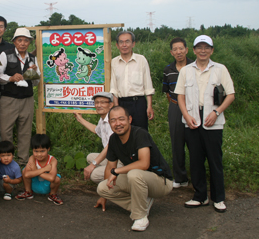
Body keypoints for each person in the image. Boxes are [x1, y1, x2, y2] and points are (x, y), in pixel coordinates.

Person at [175, 35, 235, 213]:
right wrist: (186, 115)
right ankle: (200, 196)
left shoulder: (220, 69)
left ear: (212, 50)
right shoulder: (186, 70)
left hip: (212, 119)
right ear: (193, 50)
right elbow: (180, 95)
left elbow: (230, 94)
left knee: (214, 160)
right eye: (199, 47)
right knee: (195, 159)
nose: (203, 51)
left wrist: (217, 112)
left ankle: (219, 198)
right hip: (192, 119)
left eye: (206, 47)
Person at [96, 106, 173, 232]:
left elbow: (144, 164)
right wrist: (105, 197)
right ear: (109, 123)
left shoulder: (140, 134)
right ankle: (142, 204)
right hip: (139, 179)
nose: (118, 123)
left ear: (129, 119)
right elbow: (110, 166)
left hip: (160, 181)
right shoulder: (114, 139)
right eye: (113, 120)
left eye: (121, 119)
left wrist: (117, 172)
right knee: (102, 188)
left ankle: (140, 217)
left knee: (134, 174)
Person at [0, 28, 40, 166]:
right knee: (6, 131)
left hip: (27, 99)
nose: (23, 43)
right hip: (8, 99)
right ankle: (7, 161)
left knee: (25, 131)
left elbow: (36, 82)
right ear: (14, 41)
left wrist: (33, 74)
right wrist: (10, 78)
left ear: (29, 43)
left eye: (26, 40)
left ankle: (23, 161)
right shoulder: (6, 54)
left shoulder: (33, 58)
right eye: (20, 40)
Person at [162, 37, 193, 189]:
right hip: (175, 107)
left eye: (181, 48)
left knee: (195, 143)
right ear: (171, 52)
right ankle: (180, 178)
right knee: (177, 143)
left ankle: (197, 177)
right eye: (175, 49)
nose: (179, 52)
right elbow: (167, 92)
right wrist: (176, 106)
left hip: (193, 108)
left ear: (186, 50)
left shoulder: (195, 66)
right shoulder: (168, 70)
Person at [110, 31, 155, 131]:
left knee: (141, 132)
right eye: (121, 42)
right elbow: (114, 88)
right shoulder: (114, 62)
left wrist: (149, 106)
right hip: (122, 102)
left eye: (127, 41)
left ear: (133, 44)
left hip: (138, 102)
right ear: (117, 45)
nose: (124, 45)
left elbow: (148, 85)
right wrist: (116, 108)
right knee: (122, 132)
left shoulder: (141, 60)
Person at [73, 92, 120, 183]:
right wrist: (80, 119)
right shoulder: (103, 118)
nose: (99, 105)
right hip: (112, 155)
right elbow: (96, 130)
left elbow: (110, 145)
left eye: (103, 102)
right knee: (90, 157)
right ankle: (111, 173)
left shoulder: (113, 120)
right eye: (96, 102)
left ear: (111, 105)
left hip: (120, 159)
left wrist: (93, 165)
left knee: (94, 175)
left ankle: (119, 180)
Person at [15, 134, 63, 206]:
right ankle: (28, 192)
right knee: (25, 170)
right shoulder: (32, 158)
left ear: (48, 149)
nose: (39, 154)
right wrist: (44, 169)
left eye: (42, 151)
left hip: (47, 186)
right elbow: (27, 174)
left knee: (57, 179)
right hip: (34, 184)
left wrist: (35, 171)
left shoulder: (52, 160)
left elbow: (52, 178)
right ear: (32, 150)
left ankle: (53, 194)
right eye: (36, 151)